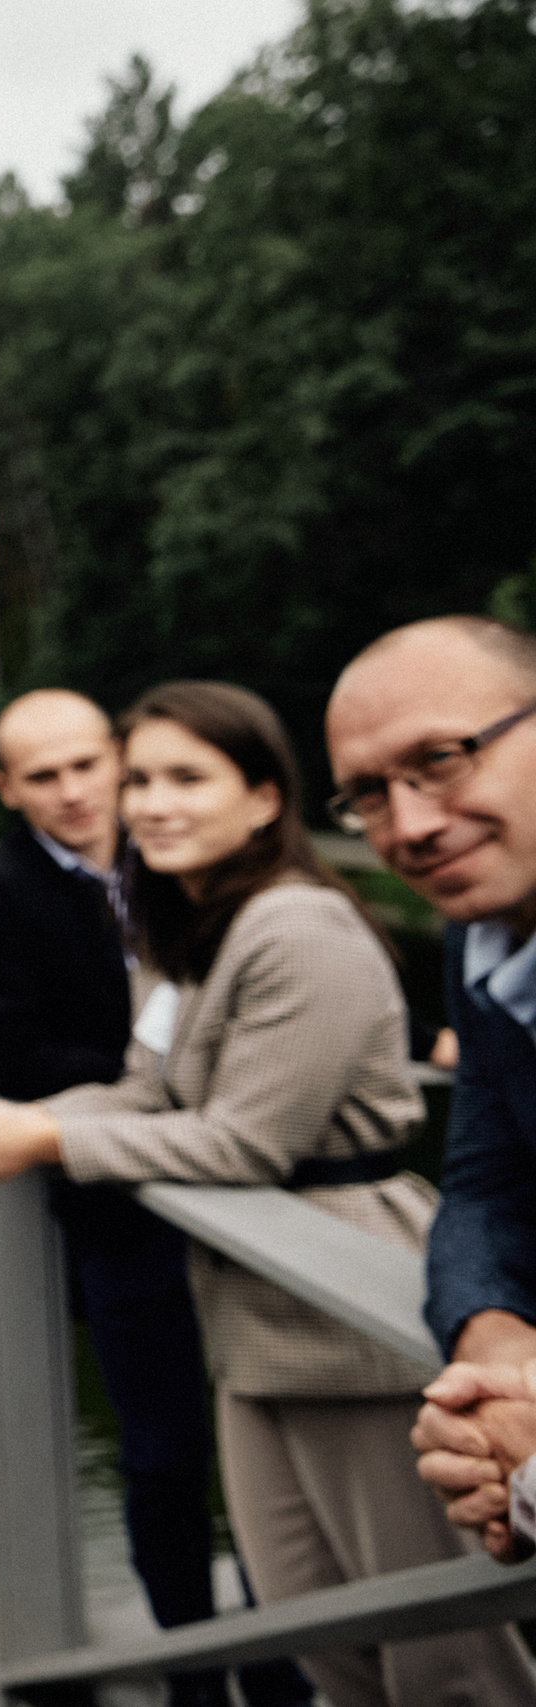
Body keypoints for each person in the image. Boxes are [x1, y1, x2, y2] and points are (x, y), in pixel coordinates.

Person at [0, 680, 536, 1707]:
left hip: (347, 1311)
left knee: (438, 1660)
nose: (151, 805)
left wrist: (48, 1135)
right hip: (251, 1325)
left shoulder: (295, 927)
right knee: (322, 1640)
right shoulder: (192, 927)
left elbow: (246, 1138)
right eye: (145, 780)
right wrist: (44, 1117)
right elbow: (148, 1087)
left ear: (262, 799)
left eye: (185, 780)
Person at [0, 690, 307, 1707]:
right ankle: (192, 1673)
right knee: (162, 1455)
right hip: (122, 1224)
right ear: (7, 789)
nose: (73, 792)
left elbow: (285, 995)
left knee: (269, 1450)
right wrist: (190, 1082)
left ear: (117, 759)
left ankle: (285, 1663)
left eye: (88, 765)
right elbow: (16, 1061)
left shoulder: (187, 859)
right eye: (40, 776)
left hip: (253, 1212)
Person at [326, 618, 536, 1560]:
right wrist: (491, 1346)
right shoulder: (480, 936)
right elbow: (485, 1177)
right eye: (369, 794)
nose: (407, 826)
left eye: (444, 759)